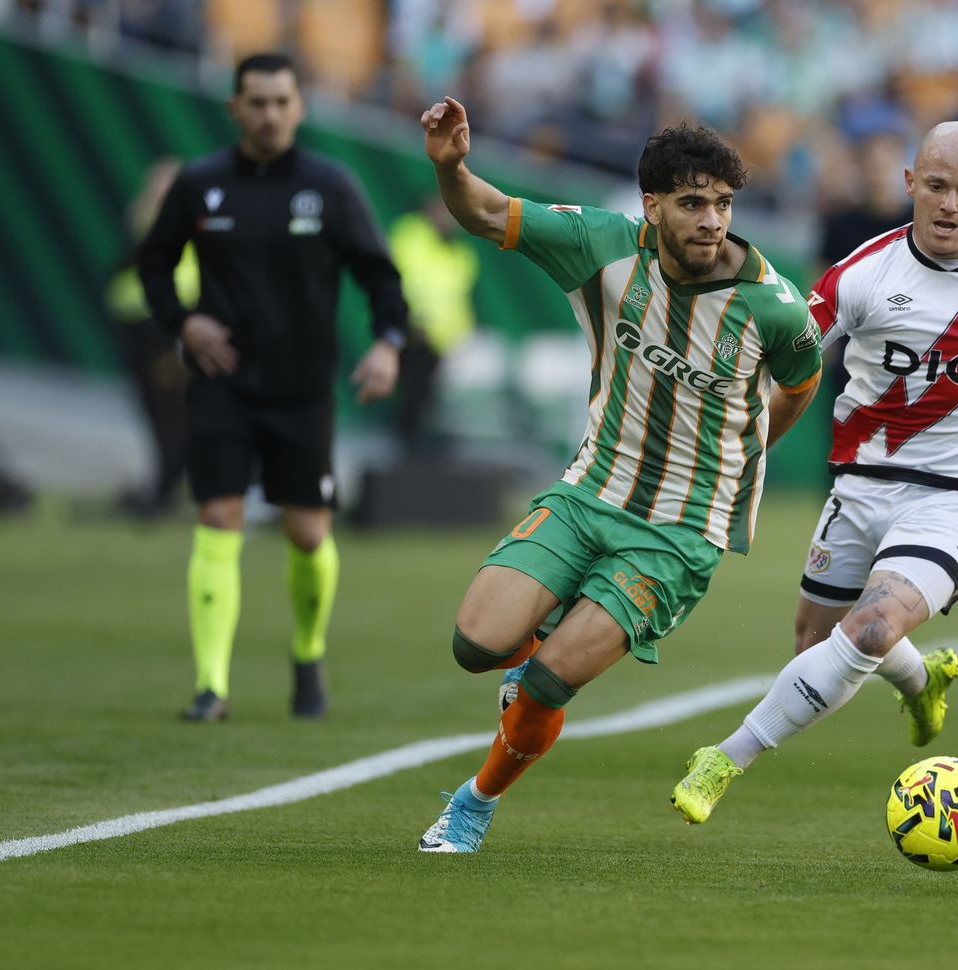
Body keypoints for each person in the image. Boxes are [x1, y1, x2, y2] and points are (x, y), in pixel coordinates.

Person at [671, 121, 958, 824]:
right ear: (910, 183)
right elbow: (790, 351)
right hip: (861, 486)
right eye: (936, 186)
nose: (949, 205)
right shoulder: (863, 274)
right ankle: (921, 678)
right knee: (816, 643)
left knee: (871, 630)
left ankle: (726, 756)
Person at [414, 98, 823, 854]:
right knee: (475, 644)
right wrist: (450, 166)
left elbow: (799, 383)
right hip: (589, 491)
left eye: (724, 205)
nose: (711, 221)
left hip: (679, 531)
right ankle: (531, 649)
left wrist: (745, 450)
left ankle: (473, 804)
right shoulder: (598, 245)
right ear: (652, 205)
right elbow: (485, 212)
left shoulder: (774, 307)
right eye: (693, 203)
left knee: (547, 685)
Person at [137, 53, 409, 722]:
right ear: (234, 108)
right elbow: (153, 264)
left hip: (302, 388)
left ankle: (308, 655)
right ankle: (211, 687)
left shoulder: (332, 186)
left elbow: (381, 276)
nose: (269, 115)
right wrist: (184, 322)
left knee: (309, 534)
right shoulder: (199, 184)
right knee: (218, 517)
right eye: (256, 103)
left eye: (281, 102)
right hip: (220, 383)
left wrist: (387, 344)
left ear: (300, 107)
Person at [106, 157, 197, 519]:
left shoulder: (186, 222)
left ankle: (165, 488)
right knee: (153, 406)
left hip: (166, 326)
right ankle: (162, 484)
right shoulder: (145, 219)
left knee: (169, 407)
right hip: (136, 324)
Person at [388, 194, 480, 455]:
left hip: (443, 340)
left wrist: (459, 333)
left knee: (427, 398)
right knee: (412, 394)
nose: (447, 218)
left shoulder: (458, 250)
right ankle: (405, 449)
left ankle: (417, 449)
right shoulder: (410, 237)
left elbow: (458, 297)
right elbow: (406, 281)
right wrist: (414, 320)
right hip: (413, 332)